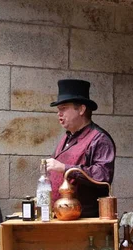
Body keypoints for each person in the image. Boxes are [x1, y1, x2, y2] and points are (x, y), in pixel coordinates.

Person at [46, 79, 115, 218]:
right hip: (61, 217)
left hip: (85, 219)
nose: (59, 114)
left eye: (64, 108)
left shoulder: (99, 139)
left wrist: (65, 168)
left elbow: (103, 175)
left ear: (82, 109)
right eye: (58, 110)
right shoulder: (66, 138)